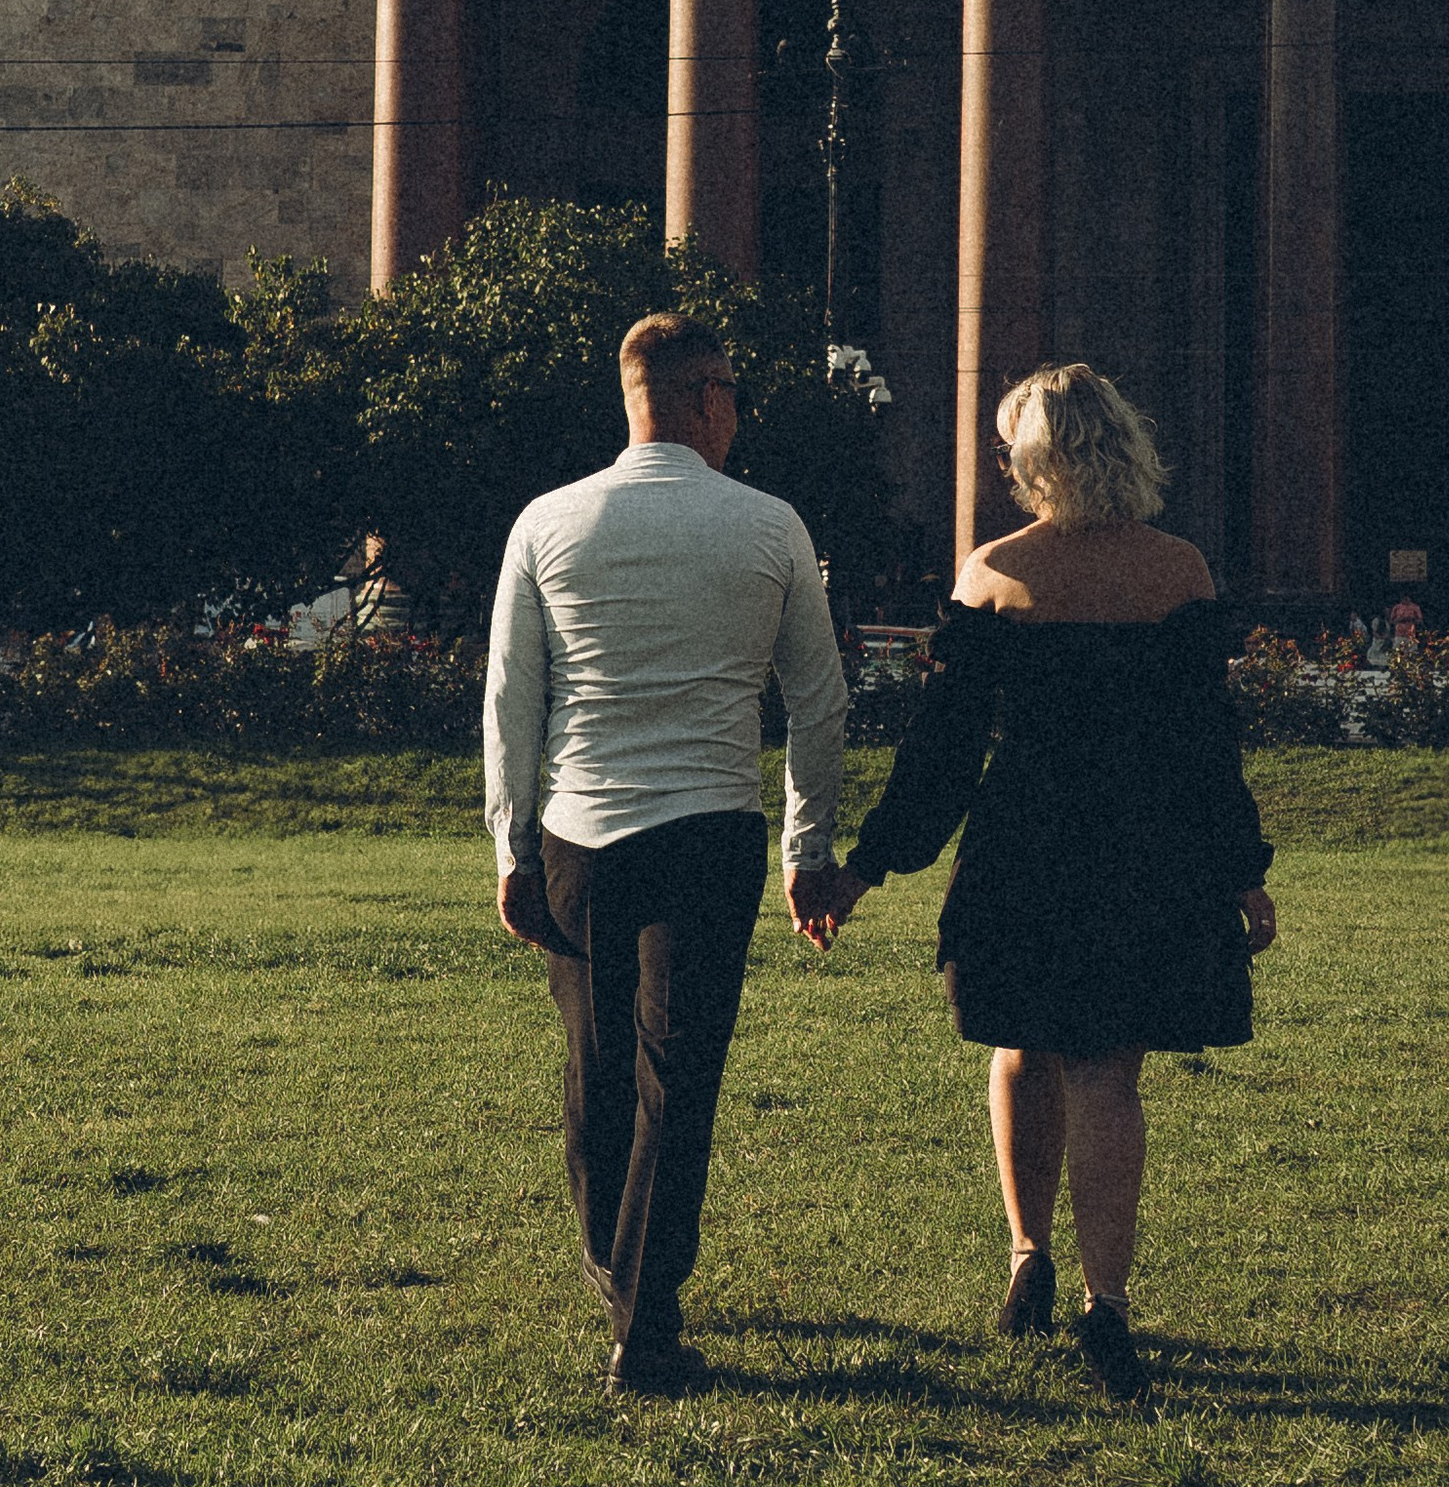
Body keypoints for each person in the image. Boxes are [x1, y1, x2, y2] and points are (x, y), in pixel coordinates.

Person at [804, 362, 1276, 1405]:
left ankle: (1028, 1260)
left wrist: (865, 870)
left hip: (1024, 844)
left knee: (1023, 1049)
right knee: (1110, 1070)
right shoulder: (1179, 572)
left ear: (1030, 457)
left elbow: (942, 756)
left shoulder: (993, 573)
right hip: (1148, 850)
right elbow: (1209, 750)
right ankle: (1107, 1305)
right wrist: (1243, 876)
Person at [484, 312, 850, 1398]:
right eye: (733, 391)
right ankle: (645, 1318)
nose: (737, 412)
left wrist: (508, 843)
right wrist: (808, 844)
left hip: (577, 833)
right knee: (676, 1077)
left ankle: (618, 1275)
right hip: (708, 827)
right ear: (702, 397)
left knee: (596, 1069)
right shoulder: (768, 526)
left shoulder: (548, 522)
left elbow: (513, 697)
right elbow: (818, 700)